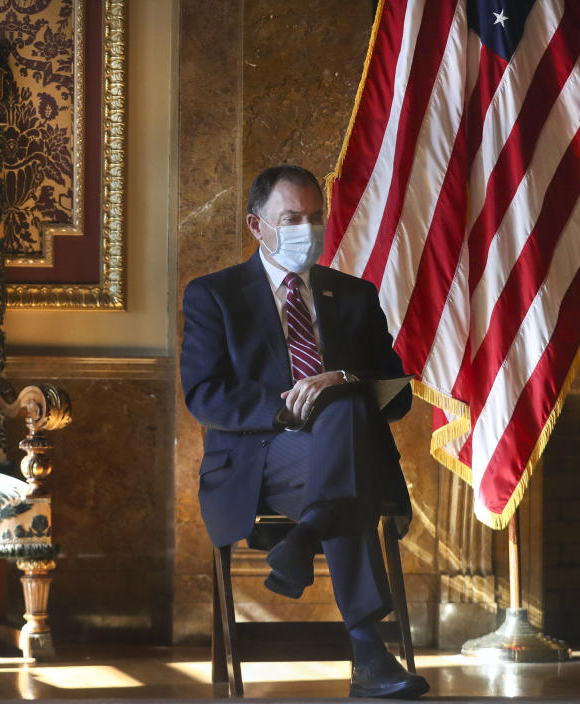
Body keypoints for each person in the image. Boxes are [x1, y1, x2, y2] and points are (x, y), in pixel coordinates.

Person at [180, 165, 430, 699]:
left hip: (333, 459)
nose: (307, 230)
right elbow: (204, 394)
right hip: (262, 455)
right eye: (291, 218)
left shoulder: (354, 296)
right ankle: (368, 659)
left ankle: (310, 535)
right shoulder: (214, 295)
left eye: (316, 218)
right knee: (349, 468)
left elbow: (399, 394)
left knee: (342, 419)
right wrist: (288, 405)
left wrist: (341, 379)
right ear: (257, 224)